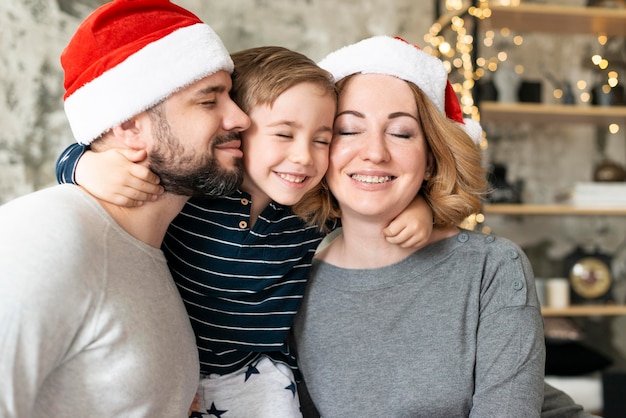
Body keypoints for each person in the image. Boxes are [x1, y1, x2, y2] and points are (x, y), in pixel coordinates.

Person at [55, 44, 435, 417]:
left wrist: (419, 209)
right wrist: (87, 166)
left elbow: (375, 198)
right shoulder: (196, 189)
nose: (304, 156)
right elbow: (81, 153)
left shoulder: (313, 208)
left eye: (321, 140)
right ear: (235, 133)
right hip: (171, 369)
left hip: (260, 378)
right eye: (284, 135)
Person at [0, 0, 250, 416]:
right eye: (210, 101)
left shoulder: (159, 252)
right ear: (130, 126)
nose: (240, 117)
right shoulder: (44, 236)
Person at [291, 35, 547, 417]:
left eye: (401, 133)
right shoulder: (291, 283)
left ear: (430, 160)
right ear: (319, 149)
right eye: (348, 129)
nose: (375, 152)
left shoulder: (491, 268)